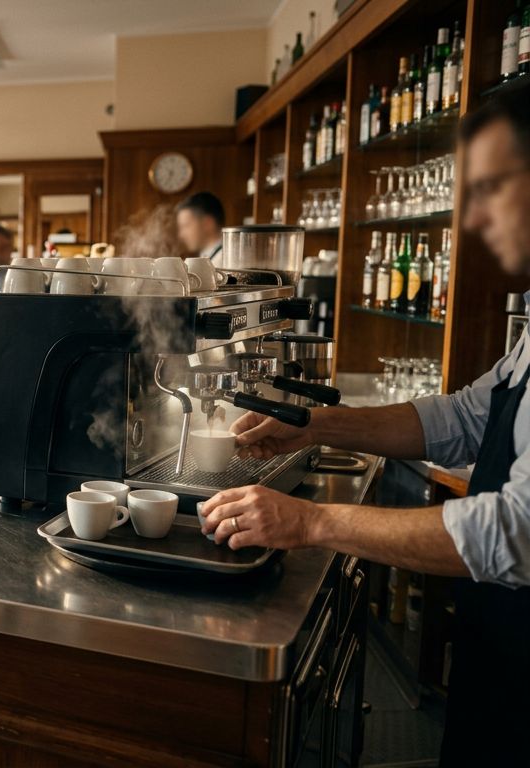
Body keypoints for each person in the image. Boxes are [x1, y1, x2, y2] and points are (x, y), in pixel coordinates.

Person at [199, 88, 530, 765]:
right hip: (502, 642)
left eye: (491, 187)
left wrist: (312, 522)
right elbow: (467, 416)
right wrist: (315, 426)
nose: (472, 217)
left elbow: (516, 531)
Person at [175, 192, 225, 260]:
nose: (181, 235)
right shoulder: (210, 257)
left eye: (186, 225)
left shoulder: (225, 260)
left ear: (207, 223)